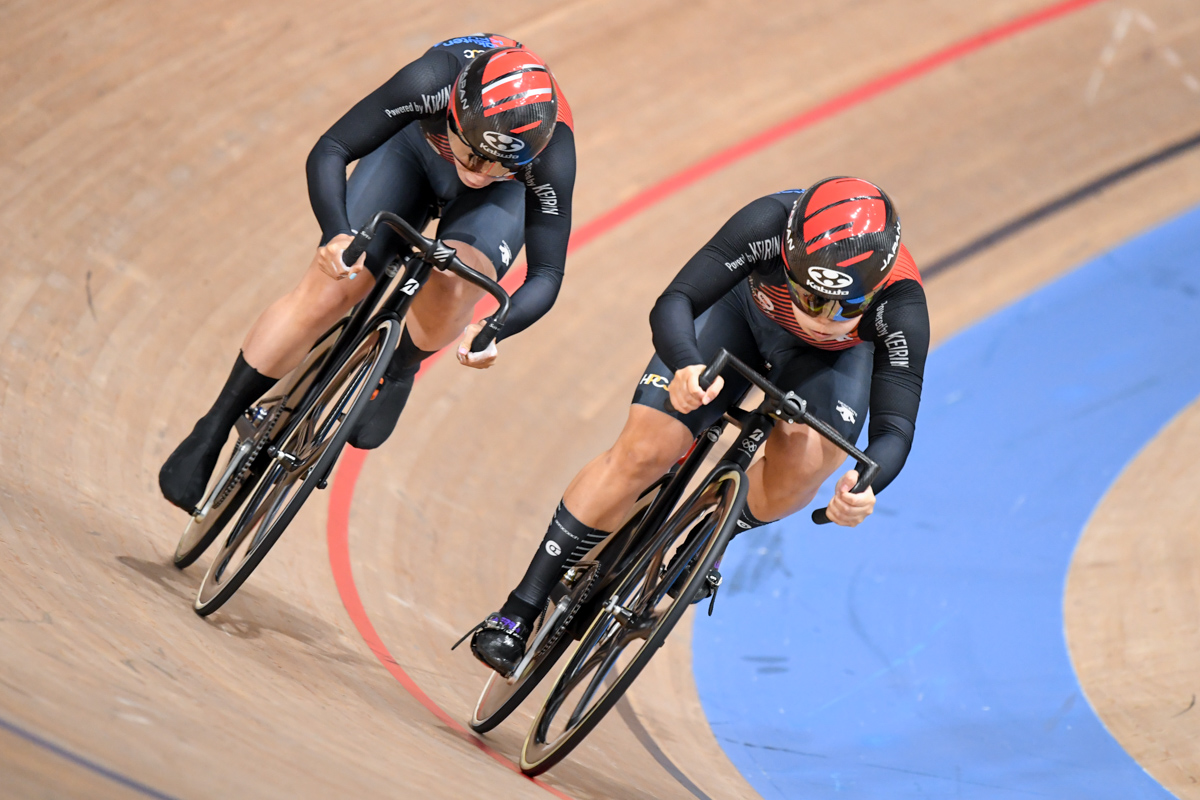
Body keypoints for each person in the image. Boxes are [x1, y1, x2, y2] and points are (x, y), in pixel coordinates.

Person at [469, 177, 929, 675]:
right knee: (645, 449)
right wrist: (685, 363)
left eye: (847, 307)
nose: (824, 317)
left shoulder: (901, 303)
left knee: (804, 471)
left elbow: (895, 428)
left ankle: (713, 534)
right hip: (743, 315)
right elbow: (676, 301)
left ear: (877, 288)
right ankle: (520, 609)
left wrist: (865, 487)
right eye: (812, 297)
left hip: (830, 364)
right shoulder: (766, 223)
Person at [159, 34, 575, 512]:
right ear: (455, 115)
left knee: (458, 279)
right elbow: (333, 148)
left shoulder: (550, 151)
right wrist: (336, 234)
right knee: (331, 290)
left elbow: (547, 274)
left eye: (500, 164)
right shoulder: (432, 80)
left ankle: (401, 366)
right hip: (412, 153)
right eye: (475, 155)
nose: (479, 173)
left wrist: (496, 327)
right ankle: (215, 422)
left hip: (493, 208)